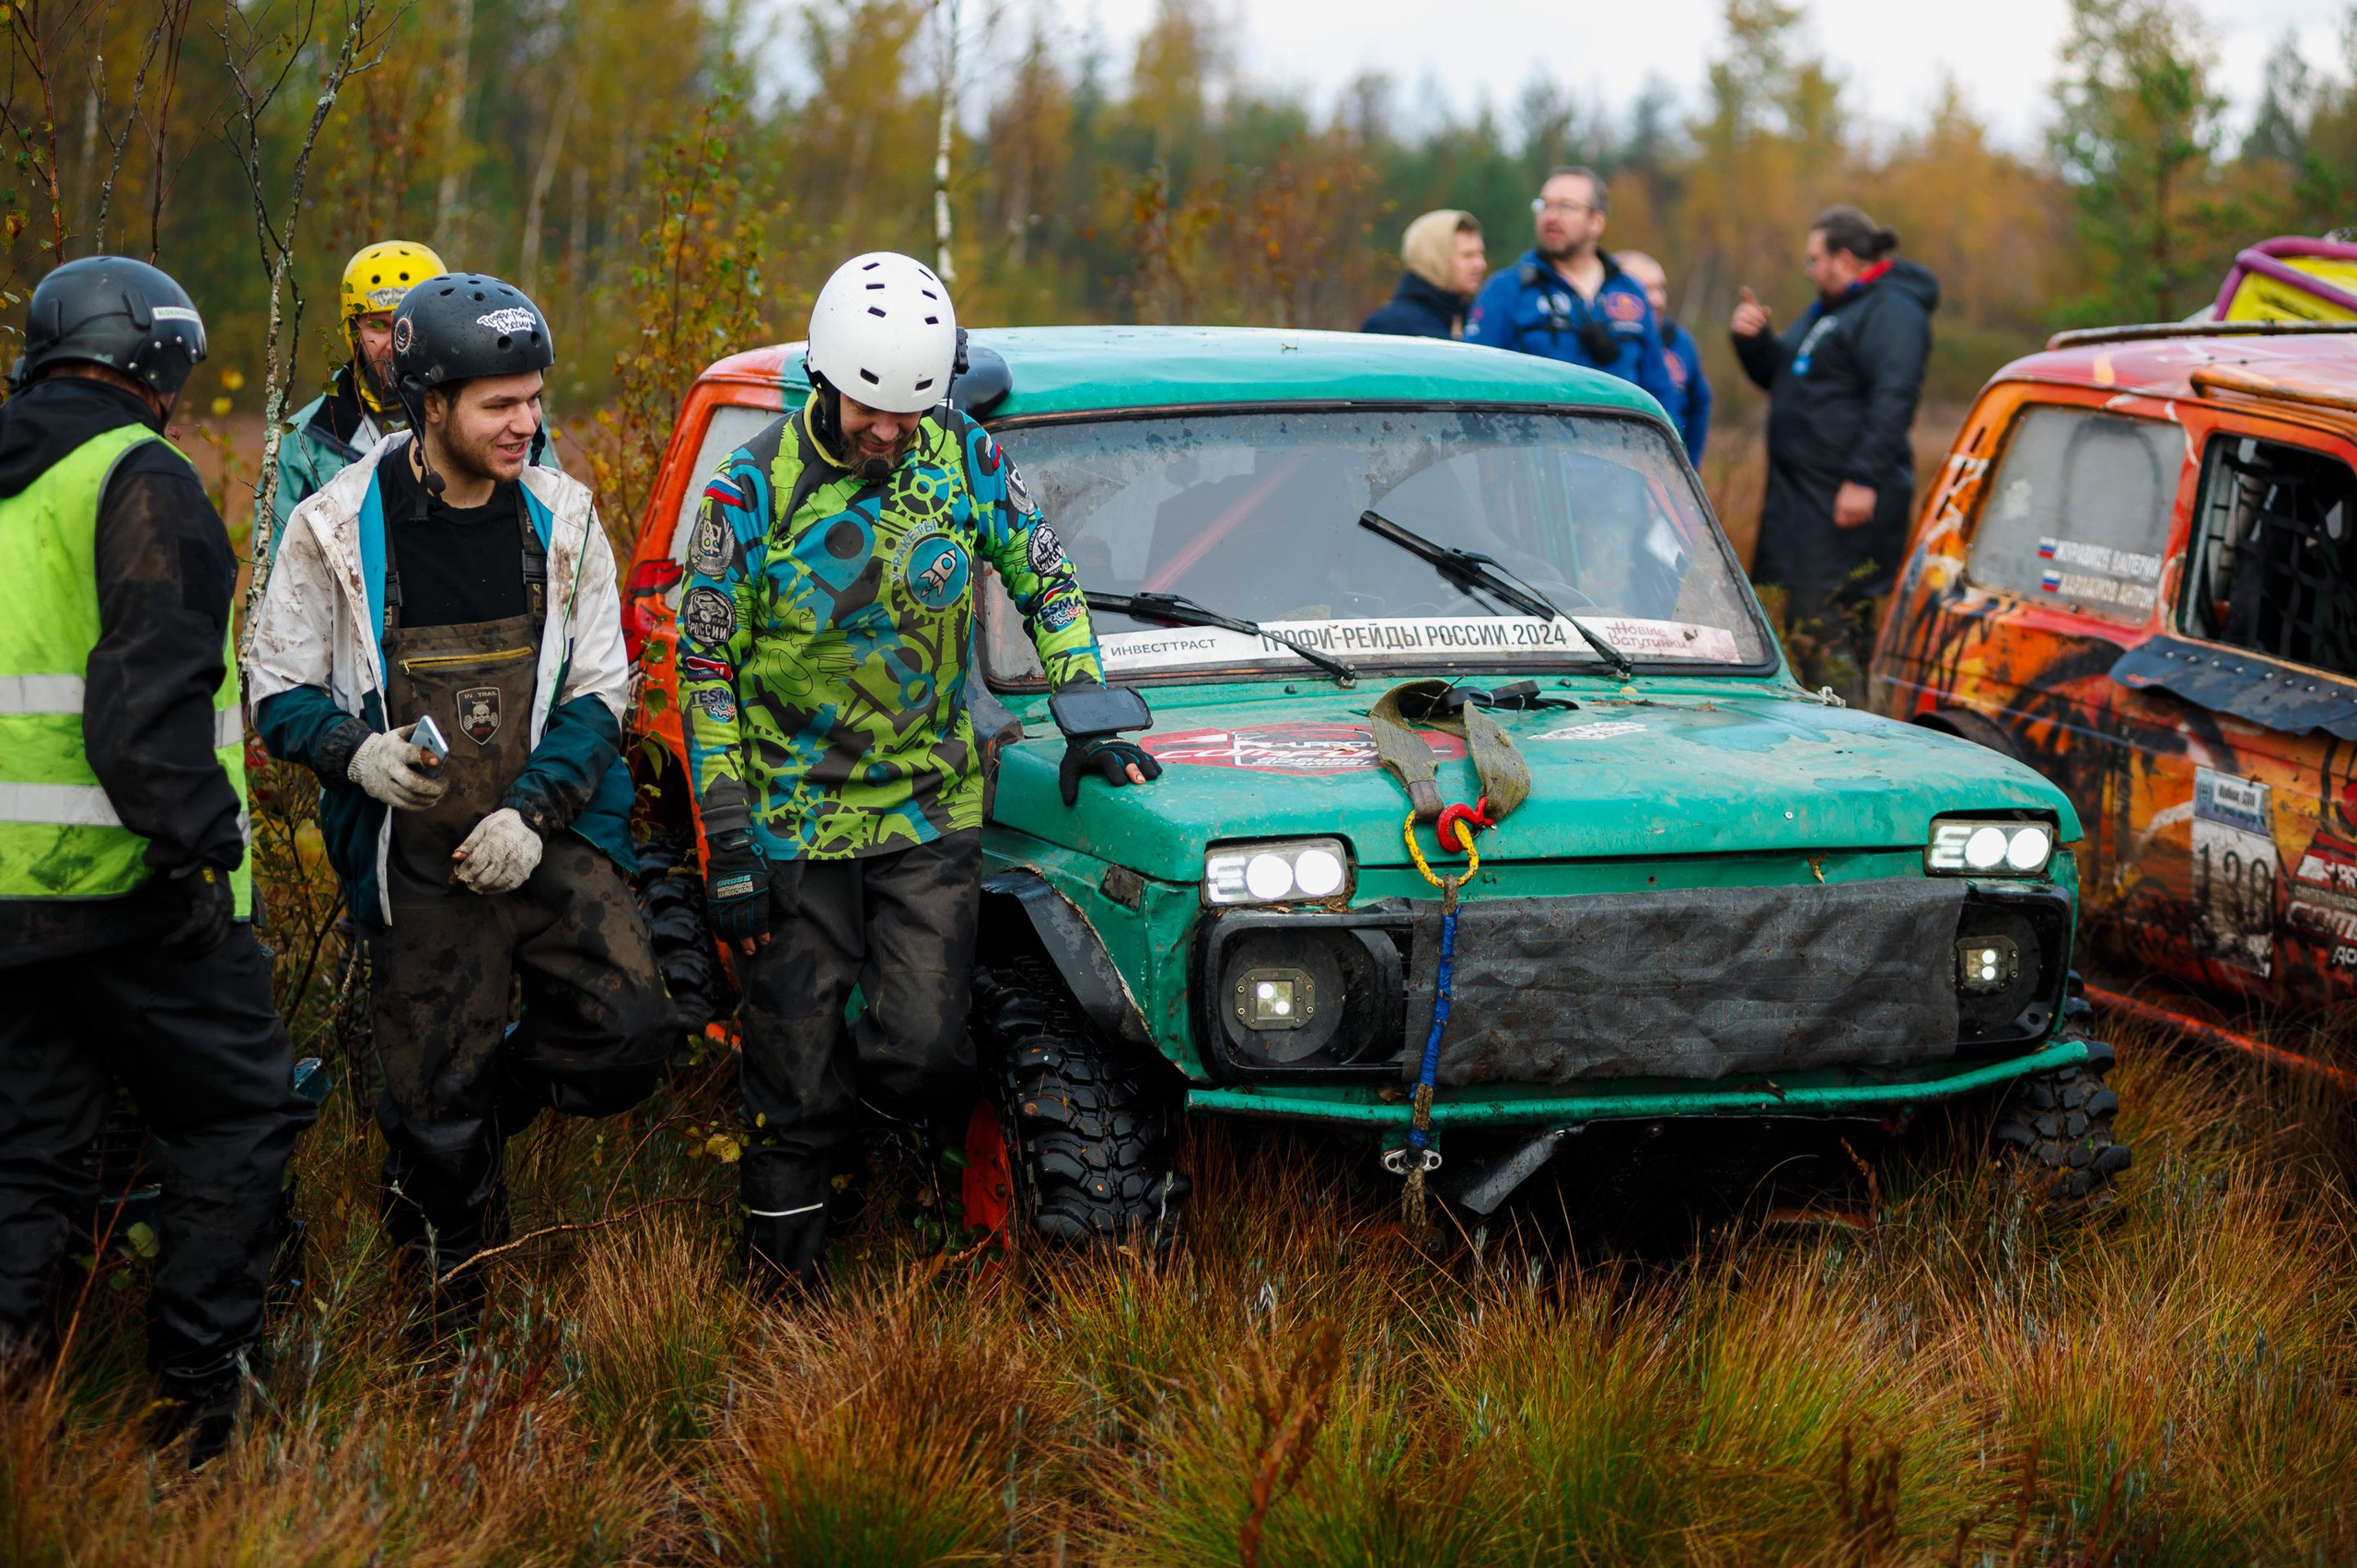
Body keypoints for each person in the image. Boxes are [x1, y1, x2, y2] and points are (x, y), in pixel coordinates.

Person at [676, 251, 1157, 1299]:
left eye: (909, 410)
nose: (889, 433)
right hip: (791, 818)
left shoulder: (965, 454)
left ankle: (862, 1134)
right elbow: (703, 669)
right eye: (868, 410)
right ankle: (784, 1296)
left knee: (925, 1049)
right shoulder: (747, 492)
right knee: (790, 1077)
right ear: (823, 376)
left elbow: (1044, 567)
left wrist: (1084, 702)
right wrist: (728, 838)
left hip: (927, 809)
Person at [249, 274, 669, 1335]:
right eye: (499, 403)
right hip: (415, 856)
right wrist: (355, 754)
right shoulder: (338, 526)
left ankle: (473, 1107)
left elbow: (599, 691)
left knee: (630, 1030)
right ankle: (449, 1337)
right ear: (430, 404)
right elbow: (275, 686)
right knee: (432, 1122)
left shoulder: (562, 517)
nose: (525, 422)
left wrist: (530, 814)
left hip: (544, 831)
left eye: (532, 397)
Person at [0, 256, 317, 1464]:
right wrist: (204, 863)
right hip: (136, 895)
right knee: (235, 1116)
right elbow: (147, 715)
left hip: (10, 906)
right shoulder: (140, 477)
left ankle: (19, 1406)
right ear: (156, 363)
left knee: (28, 1150)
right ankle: (197, 1426)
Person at [1732, 205, 1938, 700]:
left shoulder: (1893, 311)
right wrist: (1755, 343)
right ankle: (1817, 728)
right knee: (1804, 624)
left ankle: (1852, 734)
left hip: (1848, 502)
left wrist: (1864, 479)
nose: (1808, 271)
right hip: (1805, 503)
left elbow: (1895, 399)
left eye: (1813, 260)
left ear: (1843, 260)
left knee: (1828, 628)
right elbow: (1787, 378)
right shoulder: (1832, 310)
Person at [267, 240, 447, 560]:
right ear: (353, 330)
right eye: (378, 325)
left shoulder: (489, 413)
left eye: (410, 326)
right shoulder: (306, 436)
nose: (395, 343)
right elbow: (279, 562)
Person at [1467, 167, 1678, 411]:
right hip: (1534, 444)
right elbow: (1475, 380)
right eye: (1544, 206)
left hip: (1617, 445)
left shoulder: (1630, 292)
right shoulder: (1507, 289)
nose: (1551, 217)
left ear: (1596, 222)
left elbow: (1660, 388)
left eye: (1566, 207)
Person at [1616, 250, 1713, 463]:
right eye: (1644, 288)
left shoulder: (1681, 343)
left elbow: (1700, 403)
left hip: (1667, 470)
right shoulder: (1611, 342)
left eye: (1660, 287)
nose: (1657, 299)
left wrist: (1688, 465)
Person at [1362, 210, 1487, 339]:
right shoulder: (1390, 327)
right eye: (1467, 256)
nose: (1481, 265)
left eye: (1480, 254)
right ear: (1435, 258)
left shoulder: (1477, 322)